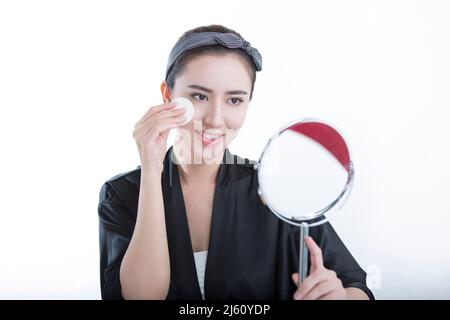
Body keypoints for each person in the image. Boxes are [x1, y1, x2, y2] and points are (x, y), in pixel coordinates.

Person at [98, 24, 374, 300]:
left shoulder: (277, 190)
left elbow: (357, 288)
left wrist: (341, 296)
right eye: (199, 96)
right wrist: (151, 170)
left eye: (234, 100)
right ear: (168, 96)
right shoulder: (122, 194)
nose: (216, 119)